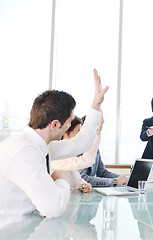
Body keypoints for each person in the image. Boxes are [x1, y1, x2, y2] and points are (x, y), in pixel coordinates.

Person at [0, 69, 108, 229]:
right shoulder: (24, 151)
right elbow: (54, 206)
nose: (70, 125)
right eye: (69, 122)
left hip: (29, 228)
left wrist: (96, 106)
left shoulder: (41, 145)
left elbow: (81, 144)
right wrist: (63, 181)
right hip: (12, 232)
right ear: (55, 124)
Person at [79, 115, 129, 187]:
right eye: (97, 129)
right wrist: (115, 181)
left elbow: (102, 173)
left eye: (99, 130)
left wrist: (124, 178)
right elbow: (83, 178)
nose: (98, 132)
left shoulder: (95, 146)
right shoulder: (78, 149)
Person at [51, 116, 93, 193]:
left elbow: (77, 178)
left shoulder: (70, 153)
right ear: (67, 132)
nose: (81, 135)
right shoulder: (56, 153)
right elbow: (85, 161)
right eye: (78, 131)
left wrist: (84, 184)